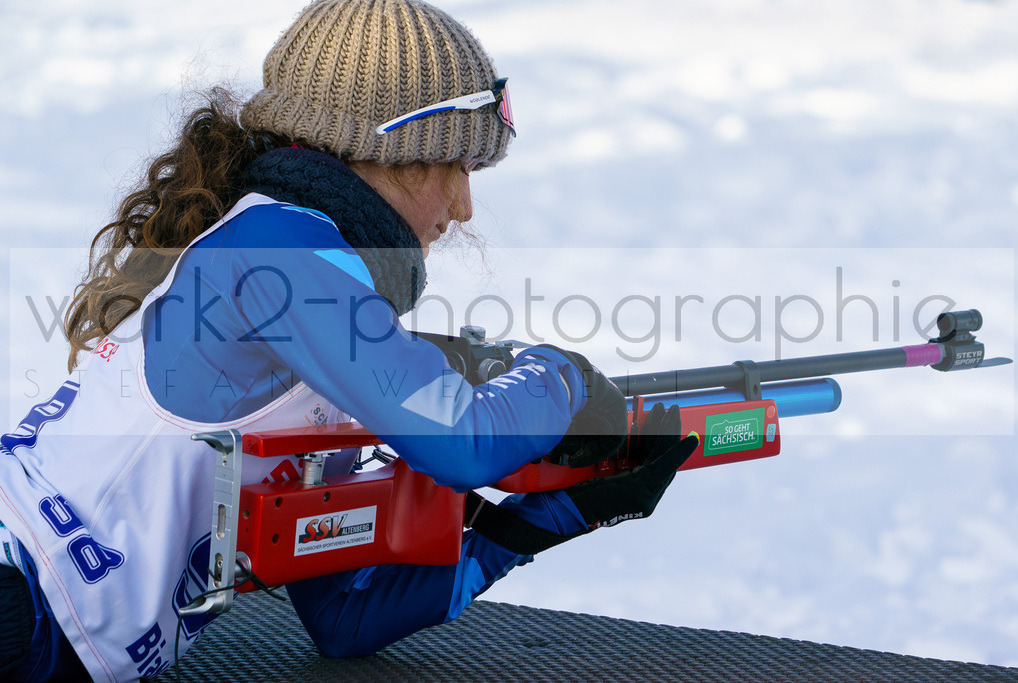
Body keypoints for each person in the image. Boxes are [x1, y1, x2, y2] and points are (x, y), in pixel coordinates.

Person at [0, 1, 697, 679]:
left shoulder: (313, 305)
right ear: (389, 152)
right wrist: (563, 376)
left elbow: (346, 615)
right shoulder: (279, 250)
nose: (463, 207)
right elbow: (463, 441)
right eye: (455, 166)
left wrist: (551, 517)